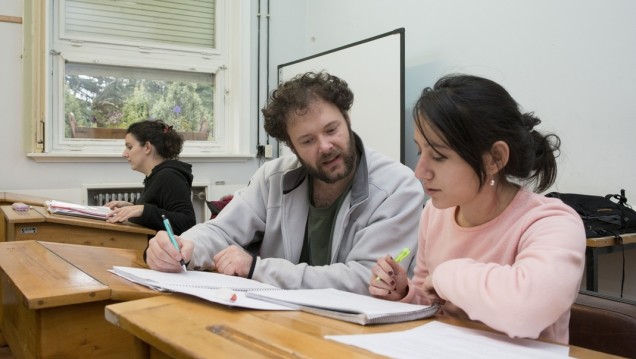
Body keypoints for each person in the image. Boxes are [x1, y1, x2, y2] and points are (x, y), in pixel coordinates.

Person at [145, 71, 424, 295]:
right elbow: (222, 231)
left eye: (332, 129)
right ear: (291, 146)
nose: (325, 146)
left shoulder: (398, 187)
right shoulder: (274, 177)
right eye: (307, 140)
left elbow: (367, 279)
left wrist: (258, 269)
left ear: (347, 120)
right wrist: (184, 246)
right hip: (280, 321)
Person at [369, 74, 586, 345]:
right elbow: (432, 300)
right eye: (419, 151)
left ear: (494, 159)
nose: (419, 171)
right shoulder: (434, 214)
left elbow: (526, 309)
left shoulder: (552, 223)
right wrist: (403, 293)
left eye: (438, 156)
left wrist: (446, 275)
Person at [105, 120, 197, 235]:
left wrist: (143, 210)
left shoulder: (169, 176)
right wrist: (132, 208)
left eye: (129, 147)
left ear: (147, 147)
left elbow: (187, 223)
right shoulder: (155, 176)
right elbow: (157, 212)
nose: (124, 153)